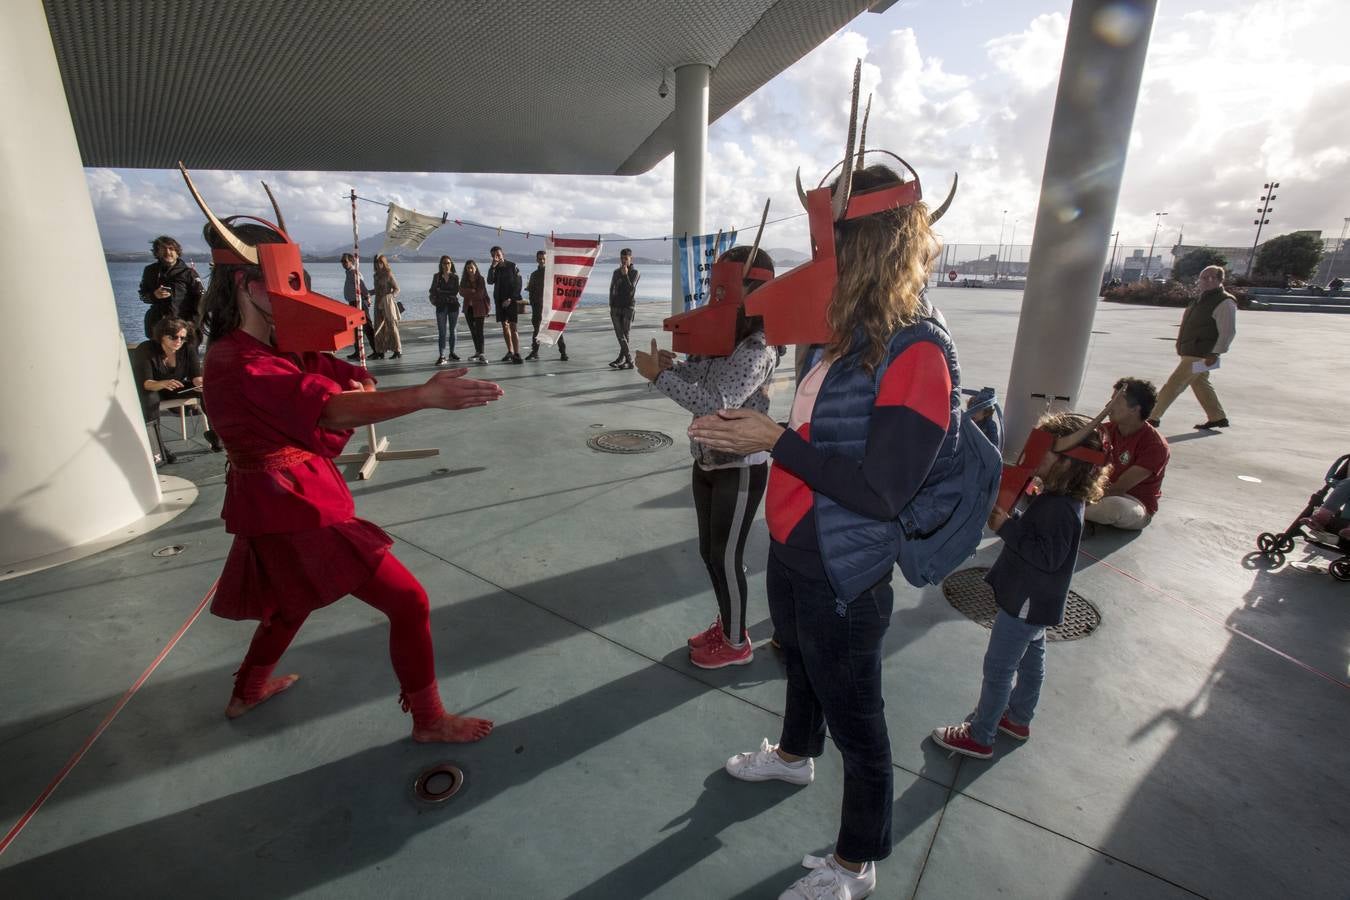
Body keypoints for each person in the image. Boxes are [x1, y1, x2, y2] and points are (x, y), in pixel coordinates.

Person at [690, 164, 957, 900]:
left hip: (845, 567)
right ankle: (794, 754)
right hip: (794, 545)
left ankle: (855, 862)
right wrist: (749, 436)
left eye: (829, 240)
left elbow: (881, 491)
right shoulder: (836, 336)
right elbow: (814, 439)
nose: (817, 258)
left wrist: (775, 440)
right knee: (799, 663)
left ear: (870, 246)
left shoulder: (918, 353)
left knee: (860, 722)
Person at [195, 213, 503, 743]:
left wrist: (355, 380)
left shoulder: (266, 349)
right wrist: (424, 396)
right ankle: (429, 720)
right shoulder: (239, 364)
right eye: (289, 283)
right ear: (251, 287)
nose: (301, 293)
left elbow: (340, 379)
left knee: (290, 602)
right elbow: (331, 411)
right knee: (409, 602)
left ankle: (247, 691)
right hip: (293, 507)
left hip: (275, 500)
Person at [931, 412, 1109, 759]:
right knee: (1031, 659)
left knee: (999, 667)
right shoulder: (1062, 500)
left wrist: (1006, 526)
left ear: (1066, 463)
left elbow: (1047, 557)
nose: (1032, 455)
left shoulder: (1059, 509)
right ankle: (1018, 718)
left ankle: (980, 736)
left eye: (1042, 450)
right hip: (1038, 603)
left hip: (1026, 602)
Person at [634, 246, 777, 669]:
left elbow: (714, 401)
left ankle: (736, 644)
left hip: (740, 469)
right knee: (711, 552)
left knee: (727, 556)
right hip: (709, 462)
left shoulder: (757, 348)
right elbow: (695, 376)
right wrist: (670, 366)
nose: (714, 299)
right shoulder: (720, 338)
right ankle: (729, 623)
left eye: (723, 291)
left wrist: (658, 376)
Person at [1149, 265, 1237, 430]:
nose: (1207, 280)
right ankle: (1217, 416)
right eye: (1204, 277)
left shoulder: (1225, 301)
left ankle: (1152, 416)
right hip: (1192, 349)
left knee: (1174, 384)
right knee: (1200, 384)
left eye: (1212, 277)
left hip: (1201, 352)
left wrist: (1215, 352)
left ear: (1220, 280)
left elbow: (1228, 331)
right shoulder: (1200, 299)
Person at [130, 316, 221, 461]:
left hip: (174, 387)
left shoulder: (187, 349)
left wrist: (201, 383)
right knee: (150, 397)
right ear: (161, 336)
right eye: (173, 337)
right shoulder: (146, 349)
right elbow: (146, 383)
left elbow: (195, 377)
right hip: (152, 389)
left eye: (182, 337)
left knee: (206, 390)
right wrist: (163, 383)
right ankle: (158, 448)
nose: (178, 341)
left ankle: (216, 435)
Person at [1086, 378, 1169, 530]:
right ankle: (1076, 511)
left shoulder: (1155, 445)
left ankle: (1070, 510)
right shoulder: (1104, 430)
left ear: (1135, 409)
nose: (1108, 406)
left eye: (1115, 403)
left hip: (1132, 501)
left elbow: (1118, 488)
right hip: (1095, 492)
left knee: (1115, 507)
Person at [138, 235, 202, 339]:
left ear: (177, 252)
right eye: (163, 249)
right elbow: (142, 296)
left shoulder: (189, 273)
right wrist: (154, 295)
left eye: (171, 249)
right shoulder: (150, 271)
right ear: (157, 253)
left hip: (184, 327)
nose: (168, 252)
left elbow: (202, 300)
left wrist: (191, 325)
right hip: (158, 328)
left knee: (186, 355)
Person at [525, 249, 567, 361]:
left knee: (556, 328)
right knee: (536, 330)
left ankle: (563, 352)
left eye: (544, 258)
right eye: (540, 259)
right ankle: (535, 352)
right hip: (538, 306)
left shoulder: (553, 274)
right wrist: (533, 304)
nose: (542, 261)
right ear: (537, 260)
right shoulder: (534, 275)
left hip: (550, 306)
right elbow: (531, 290)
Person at [488, 246, 523, 364]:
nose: (496, 257)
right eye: (493, 255)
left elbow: (518, 284)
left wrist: (511, 298)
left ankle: (517, 353)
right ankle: (510, 351)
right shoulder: (495, 268)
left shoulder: (512, 266)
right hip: (499, 301)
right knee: (504, 325)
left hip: (511, 300)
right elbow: (489, 281)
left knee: (513, 326)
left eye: (498, 254)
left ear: (503, 254)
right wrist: (492, 267)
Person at [608, 248, 639, 369]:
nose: (623, 261)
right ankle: (624, 359)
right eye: (622, 258)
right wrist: (611, 304)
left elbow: (631, 291)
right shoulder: (616, 272)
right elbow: (612, 289)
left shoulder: (635, 272)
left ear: (631, 259)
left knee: (625, 335)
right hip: (616, 307)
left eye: (626, 258)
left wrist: (625, 275)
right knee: (619, 335)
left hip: (628, 307)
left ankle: (627, 360)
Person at [341, 252, 375, 360]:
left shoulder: (353, 273)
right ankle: (358, 351)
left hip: (359, 302)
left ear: (351, 261)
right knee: (355, 329)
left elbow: (362, 286)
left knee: (367, 327)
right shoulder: (349, 272)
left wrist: (367, 297)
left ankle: (377, 351)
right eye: (342, 262)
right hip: (353, 302)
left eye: (345, 261)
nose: (343, 264)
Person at [430, 256, 461, 365]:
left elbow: (455, 291)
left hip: (453, 306)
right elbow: (432, 291)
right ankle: (442, 355)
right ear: (441, 265)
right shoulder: (437, 277)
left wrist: (441, 291)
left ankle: (452, 353)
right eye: (444, 263)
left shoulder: (455, 277)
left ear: (451, 264)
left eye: (448, 263)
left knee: (453, 330)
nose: (446, 265)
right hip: (441, 306)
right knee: (442, 332)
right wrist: (435, 300)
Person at [370, 254, 402, 360]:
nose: (378, 264)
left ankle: (397, 350)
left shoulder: (388, 274)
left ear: (384, 263)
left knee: (392, 326)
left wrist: (390, 297)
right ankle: (380, 351)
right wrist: (367, 293)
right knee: (378, 327)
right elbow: (376, 290)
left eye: (380, 262)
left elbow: (397, 289)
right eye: (376, 262)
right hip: (378, 303)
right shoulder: (376, 275)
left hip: (387, 303)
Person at [459, 259, 490, 363]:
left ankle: (481, 353)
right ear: (466, 269)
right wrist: (471, 291)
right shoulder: (464, 279)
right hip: (469, 308)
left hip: (479, 308)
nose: (470, 269)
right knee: (473, 331)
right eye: (468, 268)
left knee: (479, 331)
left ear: (476, 268)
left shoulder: (480, 279)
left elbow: (480, 294)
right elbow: (461, 292)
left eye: (472, 267)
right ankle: (477, 352)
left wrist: (469, 292)